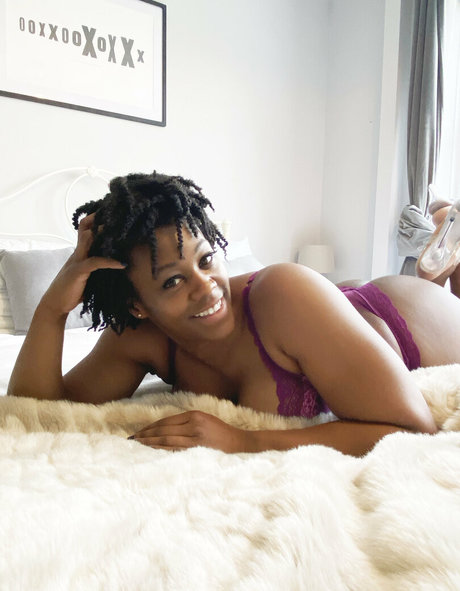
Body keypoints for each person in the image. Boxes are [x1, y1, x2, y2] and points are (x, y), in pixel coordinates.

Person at [7, 172, 460, 457]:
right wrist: (52, 308)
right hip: (324, 322)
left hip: (406, 317)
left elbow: (412, 426)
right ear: (137, 306)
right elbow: (38, 411)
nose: (206, 287)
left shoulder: (285, 290)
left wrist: (246, 440)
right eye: (172, 281)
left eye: (206, 260)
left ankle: (443, 249)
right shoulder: (138, 337)